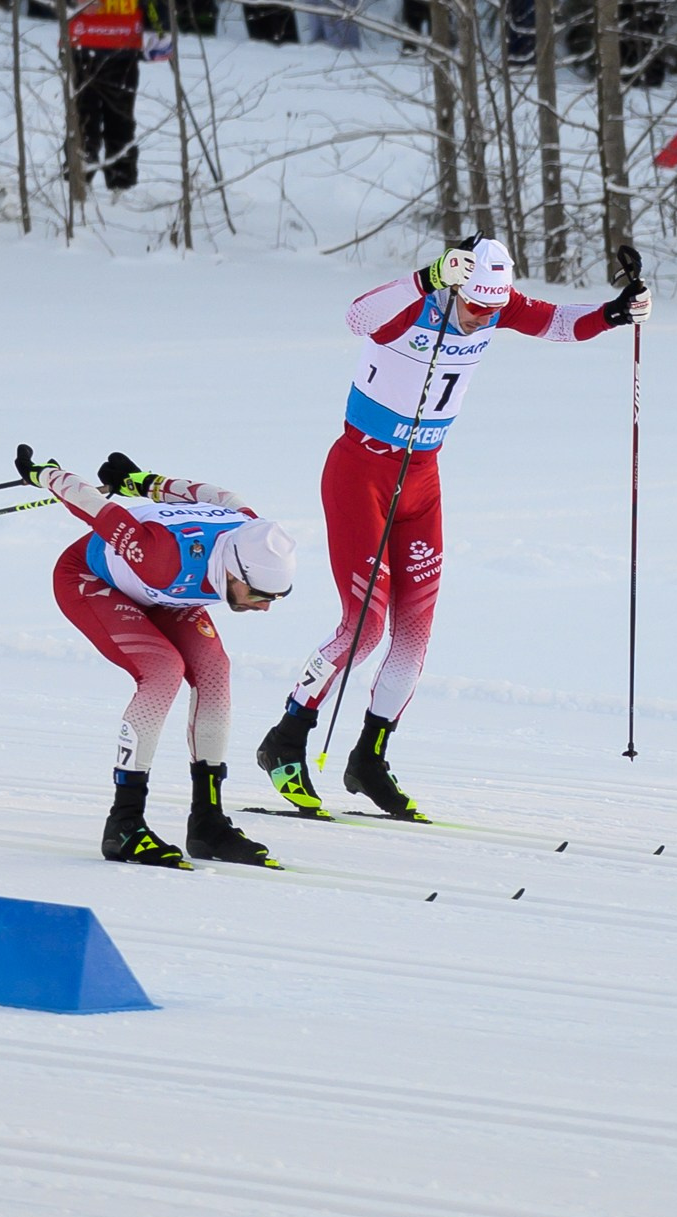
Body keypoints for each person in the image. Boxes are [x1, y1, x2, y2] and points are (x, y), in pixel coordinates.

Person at [254, 236, 652, 823]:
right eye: (473, 306)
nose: (480, 319)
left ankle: (370, 756)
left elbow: (558, 324)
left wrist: (615, 313)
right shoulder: (416, 306)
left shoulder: (494, 302)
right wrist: (425, 276)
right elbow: (356, 316)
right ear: (455, 283)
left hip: (422, 478)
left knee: (415, 632)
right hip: (361, 470)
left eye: (492, 311)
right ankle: (286, 739)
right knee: (364, 626)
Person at [15, 440, 294, 867]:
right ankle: (124, 824)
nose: (265, 606)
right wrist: (44, 474)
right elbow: (93, 506)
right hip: (92, 579)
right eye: (258, 594)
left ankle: (208, 822)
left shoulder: (250, 528)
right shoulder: (159, 554)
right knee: (163, 670)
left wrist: (142, 482)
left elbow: (213, 497)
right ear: (233, 570)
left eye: (277, 596)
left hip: (165, 591)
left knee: (214, 669)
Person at [64, 0, 165, 192]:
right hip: (81, 43)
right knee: (82, 117)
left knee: (120, 118)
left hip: (120, 44)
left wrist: (157, 31)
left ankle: (122, 185)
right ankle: (78, 183)